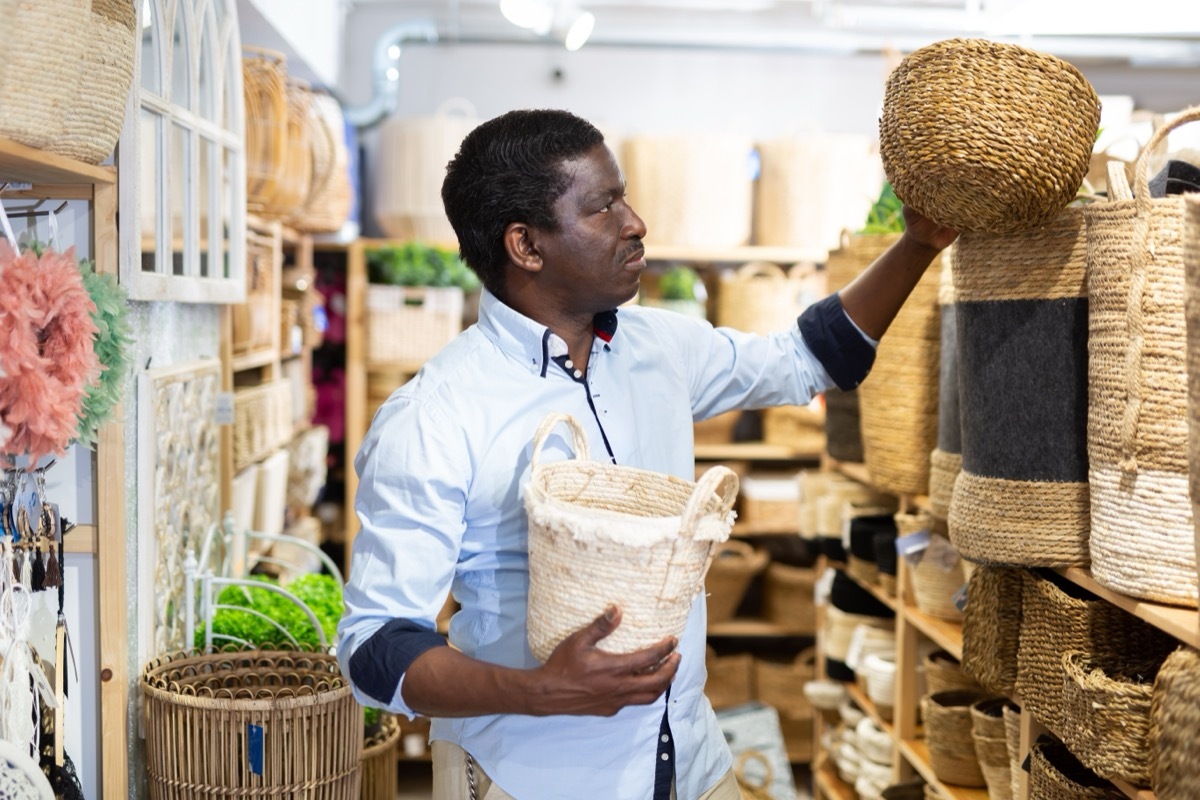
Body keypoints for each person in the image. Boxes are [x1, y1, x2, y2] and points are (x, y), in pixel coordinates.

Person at [337, 108, 957, 800]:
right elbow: (375, 647)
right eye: (603, 206)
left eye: (624, 196)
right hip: (536, 776)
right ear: (526, 246)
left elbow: (812, 358)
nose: (636, 222)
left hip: (687, 756)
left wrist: (918, 243)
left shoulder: (659, 348)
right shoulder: (437, 416)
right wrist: (543, 690)